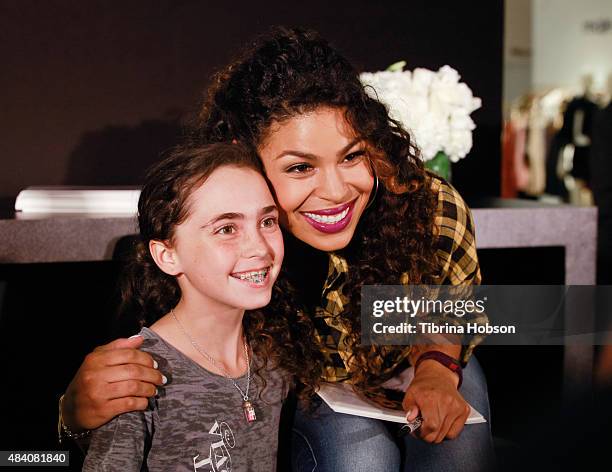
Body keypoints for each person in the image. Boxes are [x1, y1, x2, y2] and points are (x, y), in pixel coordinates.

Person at [62, 28, 496, 471]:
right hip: (320, 391)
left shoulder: (424, 206)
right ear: (244, 155)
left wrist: (438, 367)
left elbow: (447, 306)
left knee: (457, 445)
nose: (336, 190)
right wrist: (73, 416)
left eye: (351, 156)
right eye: (300, 167)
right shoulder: (222, 251)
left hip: (414, 355)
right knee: (359, 456)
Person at [81, 143, 313, 471]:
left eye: (267, 221)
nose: (259, 247)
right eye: (227, 229)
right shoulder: (139, 376)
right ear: (168, 255)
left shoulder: (273, 357)